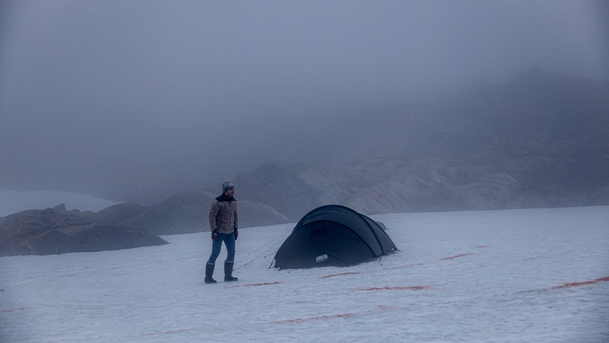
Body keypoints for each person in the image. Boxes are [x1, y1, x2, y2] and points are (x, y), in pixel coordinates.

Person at [205, 182, 239, 284]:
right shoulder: (217, 202)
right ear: (225, 190)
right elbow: (212, 216)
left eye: (233, 189)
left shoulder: (234, 201)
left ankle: (228, 276)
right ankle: (208, 278)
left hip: (230, 232)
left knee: (231, 252)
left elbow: (235, 215)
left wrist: (236, 228)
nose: (232, 191)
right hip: (219, 232)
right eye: (230, 189)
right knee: (215, 253)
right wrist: (214, 230)